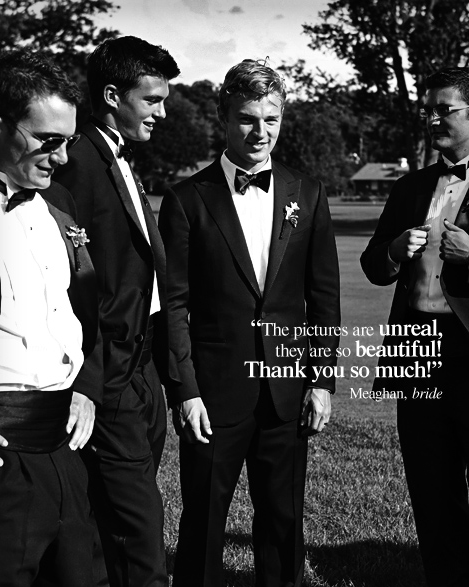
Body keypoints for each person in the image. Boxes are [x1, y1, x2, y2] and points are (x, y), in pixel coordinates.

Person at [158, 59, 341, 587]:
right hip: (212, 395)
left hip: (287, 390)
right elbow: (173, 306)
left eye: (272, 118)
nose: (260, 132)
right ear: (223, 118)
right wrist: (185, 391)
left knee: (284, 521)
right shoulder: (186, 200)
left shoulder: (308, 194)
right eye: (247, 119)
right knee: (204, 524)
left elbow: (322, 299)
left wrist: (322, 381)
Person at [54, 36, 180, 587]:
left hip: (144, 366)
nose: (162, 111)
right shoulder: (76, 162)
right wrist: (94, 376)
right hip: (109, 372)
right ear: (112, 95)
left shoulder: (123, 158)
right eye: (152, 99)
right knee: (141, 534)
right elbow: (73, 282)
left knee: (116, 524)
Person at [361, 67, 469, 587]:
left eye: (444, 109)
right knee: (430, 481)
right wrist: (392, 250)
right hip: (418, 351)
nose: (432, 118)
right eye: (429, 109)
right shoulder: (410, 188)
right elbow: (372, 267)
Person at [0, 50, 102, 587]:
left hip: (64, 443)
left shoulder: (56, 201)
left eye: (70, 141)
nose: (61, 158)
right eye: (48, 140)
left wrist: (84, 384)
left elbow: (82, 308)